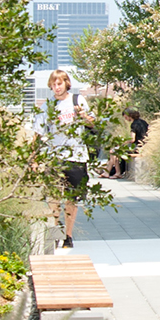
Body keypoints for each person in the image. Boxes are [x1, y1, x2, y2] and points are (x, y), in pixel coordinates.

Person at [33, 69, 94, 249]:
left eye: (59, 83)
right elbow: (38, 133)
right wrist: (34, 159)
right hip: (55, 157)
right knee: (53, 198)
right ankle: (54, 234)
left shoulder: (77, 100)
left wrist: (83, 116)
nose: (56, 87)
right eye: (53, 85)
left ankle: (68, 236)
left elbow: (92, 123)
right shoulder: (48, 105)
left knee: (71, 200)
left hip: (76, 157)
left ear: (66, 83)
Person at [105, 109, 148, 179]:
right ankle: (107, 172)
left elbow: (132, 139)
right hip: (144, 145)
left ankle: (117, 173)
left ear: (130, 115)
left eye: (125, 117)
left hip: (138, 147)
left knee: (113, 151)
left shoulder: (134, 124)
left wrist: (122, 143)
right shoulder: (143, 122)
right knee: (114, 151)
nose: (125, 119)